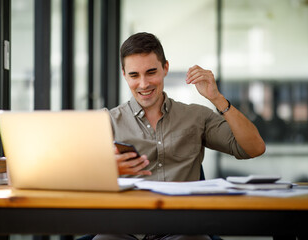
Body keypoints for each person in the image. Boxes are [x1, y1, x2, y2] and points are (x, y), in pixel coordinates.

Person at [93, 32, 266, 240]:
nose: (144, 84)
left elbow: (254, 147)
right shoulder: (105, 122)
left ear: (165, 68)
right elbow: (73, 175)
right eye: (134, 75)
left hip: (183, 230)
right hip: (125, 230)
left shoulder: (196, 116)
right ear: (124, 74)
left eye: (151, 72)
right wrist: (104, 170)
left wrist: (217, 98)